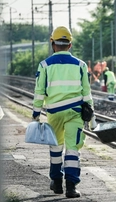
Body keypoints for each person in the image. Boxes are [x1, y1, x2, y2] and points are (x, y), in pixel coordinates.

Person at [32, 26, 96, 198]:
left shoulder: (44, 65)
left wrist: (36, 113)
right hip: (75, 112)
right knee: (73, 148)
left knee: (56, 148)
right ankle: (71, 187)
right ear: (70, 45)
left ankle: (57, 183)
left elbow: (39, 92)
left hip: (54, 113)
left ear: (52, 44)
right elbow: (86, 93)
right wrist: (92, 119)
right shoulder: (81, 65)